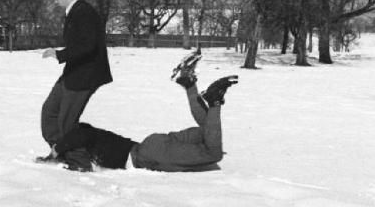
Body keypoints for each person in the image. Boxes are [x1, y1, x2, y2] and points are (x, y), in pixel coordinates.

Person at [46, 52, 238, 172]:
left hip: (146, 156)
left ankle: (214, 101)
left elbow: (79, 135)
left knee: (213, 153)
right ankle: (189, 84)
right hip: (150, 146)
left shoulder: (78, 137)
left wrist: (56, 150)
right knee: (208, 133)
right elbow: (81, 135)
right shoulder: (84, 134)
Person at [38, 0, 113, 171]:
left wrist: (59, 54)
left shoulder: (84, 12)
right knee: (50, 113)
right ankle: (60, 152)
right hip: (74, 72)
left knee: (66, 122)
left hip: (85, 75)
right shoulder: (75, 11)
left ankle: (79, 164)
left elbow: (87, 46)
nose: (55, 0)